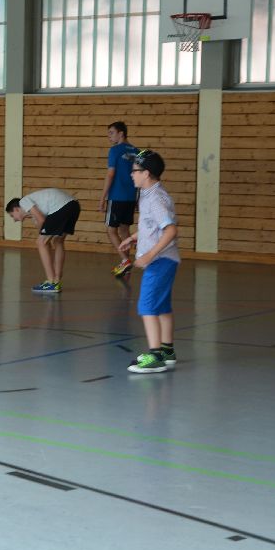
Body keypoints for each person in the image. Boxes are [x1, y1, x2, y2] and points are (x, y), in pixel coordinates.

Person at [119, 150, 180, 373]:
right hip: (165, 260)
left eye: (135, 170)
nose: (131, 174)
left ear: (146, 173)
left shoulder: (156, 199)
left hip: (160, 261)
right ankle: (167, 350)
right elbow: (152, 226)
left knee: (147, 306)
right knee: (162, 306)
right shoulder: (148, 194)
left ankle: (155, 356)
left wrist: (149, 255)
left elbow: (170, 230)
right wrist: (133, 237)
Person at [5, 188, 82, 294]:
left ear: (16, 209)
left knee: (40, 243)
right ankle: (56, 280)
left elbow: (41, 221)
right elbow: (42, 230)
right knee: (58, 241)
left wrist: (43, 240)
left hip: (61, 207)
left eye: (12, 215)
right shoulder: (35, 212)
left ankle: (51, 282)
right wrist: (44, 239)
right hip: (74, 206)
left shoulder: (23, 202)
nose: (14, 220)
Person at [100, 121, 138, 277]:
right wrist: (137, 198)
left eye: (111, 133)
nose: (109, 136)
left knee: (111, 230)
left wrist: (103, 197)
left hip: (117, 196)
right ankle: (125, 265)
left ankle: (125, 261)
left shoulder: (115, 150)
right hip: (130, 197)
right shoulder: (137, 151)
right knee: (124, 230)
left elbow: (110, 174)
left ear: (121, 133)